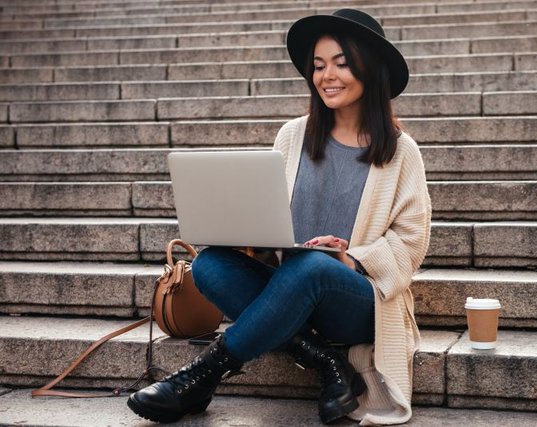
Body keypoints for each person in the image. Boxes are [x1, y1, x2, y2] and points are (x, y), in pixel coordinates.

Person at [127, 8, 431, 425]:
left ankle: (201, 377)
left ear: (369, 69)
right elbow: (272, 213)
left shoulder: (400, 150)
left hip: (358, 298)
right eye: (319, 66)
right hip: (291, 282)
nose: (327, 76)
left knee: (312, 267)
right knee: (210, 263)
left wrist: (350, 257)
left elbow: (412, 242)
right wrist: (251, 237)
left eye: (342, 64)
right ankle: (327, 364)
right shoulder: (292, 136)